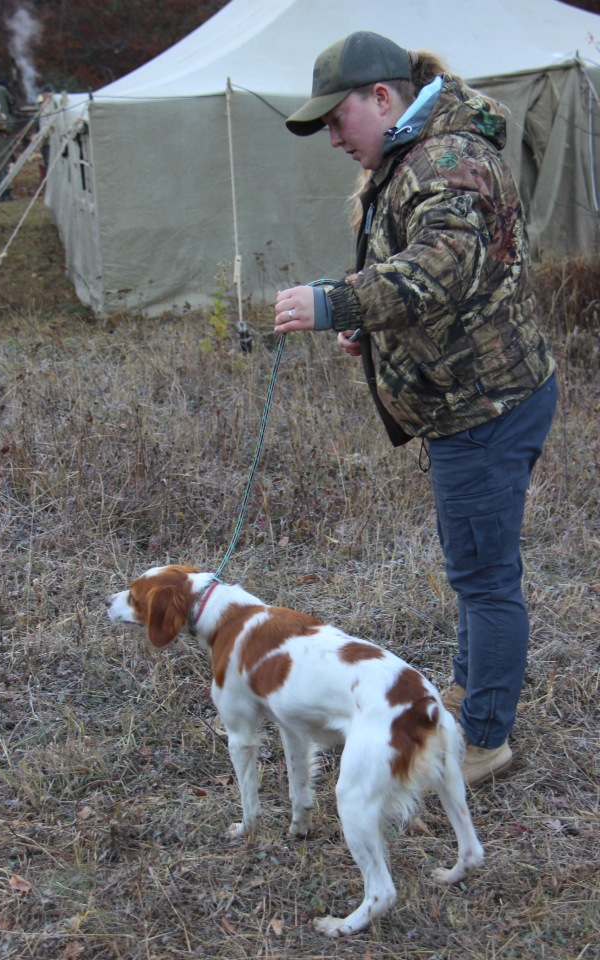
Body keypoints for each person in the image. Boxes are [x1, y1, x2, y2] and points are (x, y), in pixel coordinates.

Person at [274, 32, 557, 786]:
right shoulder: (416, 152)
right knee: (474, 568)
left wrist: (336, 302)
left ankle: (485, 739)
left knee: (486, 579)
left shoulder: (447, 159)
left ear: (381, 97)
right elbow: (435, 281)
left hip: (485, 406)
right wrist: (374, 327)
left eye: (337, 119)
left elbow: (441, 266)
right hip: (469, 399)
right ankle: (470, 694)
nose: (333, 138)